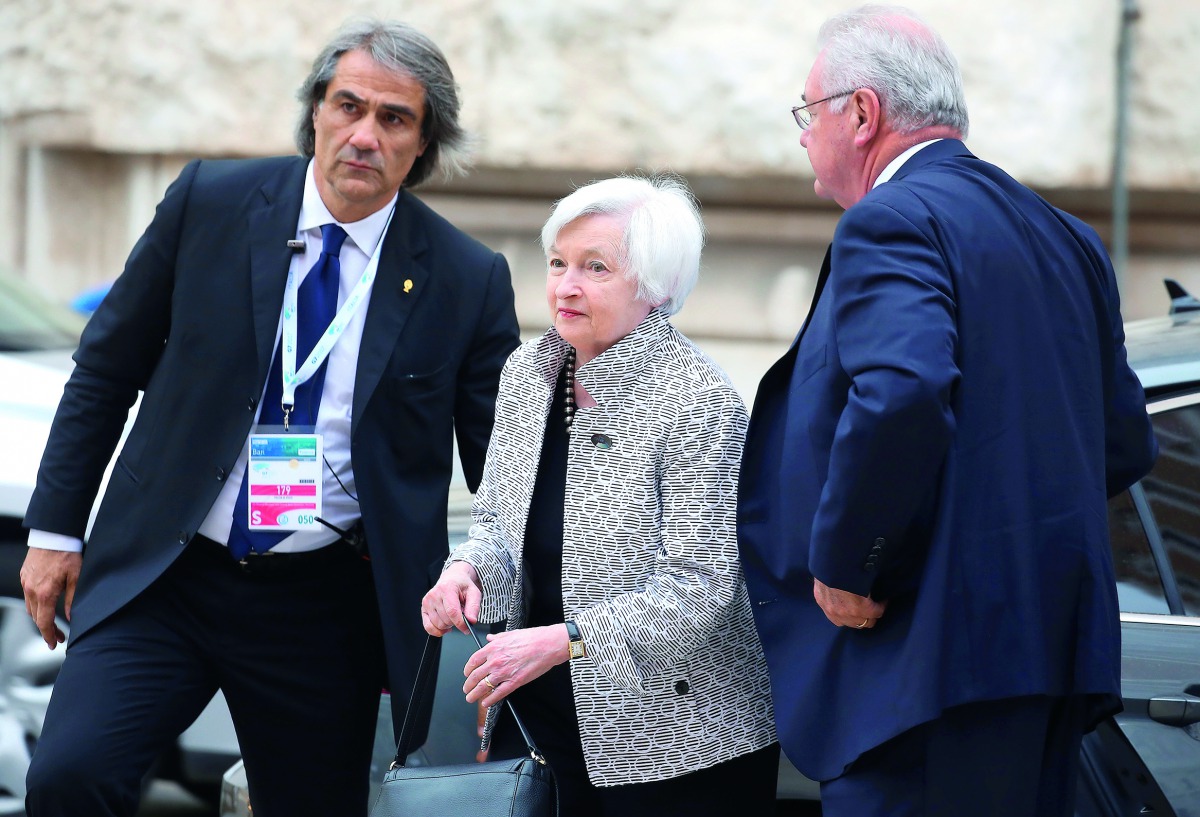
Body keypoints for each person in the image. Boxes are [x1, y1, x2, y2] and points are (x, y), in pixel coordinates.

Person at [19, 19, 520, 817]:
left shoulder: (465, 277)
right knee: (71, 776)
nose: (363, 134)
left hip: (323, 602)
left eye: (394, 119)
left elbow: (505, 468)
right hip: (168, 570)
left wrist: (524, 612)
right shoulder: (209, 203)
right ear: (315, 110)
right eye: (347, 105)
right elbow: (105, 368)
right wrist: (54, 532)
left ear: (422, 145)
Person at [737, 6, 1158, 817]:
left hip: (920, 672)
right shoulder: (1066, 234)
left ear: (861, 115)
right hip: (1043, 668)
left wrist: (852, 563)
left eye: (807, 112)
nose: (801, 139)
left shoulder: (890, 220)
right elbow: (1120, 441)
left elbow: (903, 393)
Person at [421, 176, 779, 816]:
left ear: (657, 286)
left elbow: (703, 590)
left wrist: (565, 639)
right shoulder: (529, 372)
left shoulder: (700, 404)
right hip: (537, 720)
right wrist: (465, 569)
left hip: (674, 742)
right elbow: (500, 526)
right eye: (558, 263)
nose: (565, 286)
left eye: (595, 268)